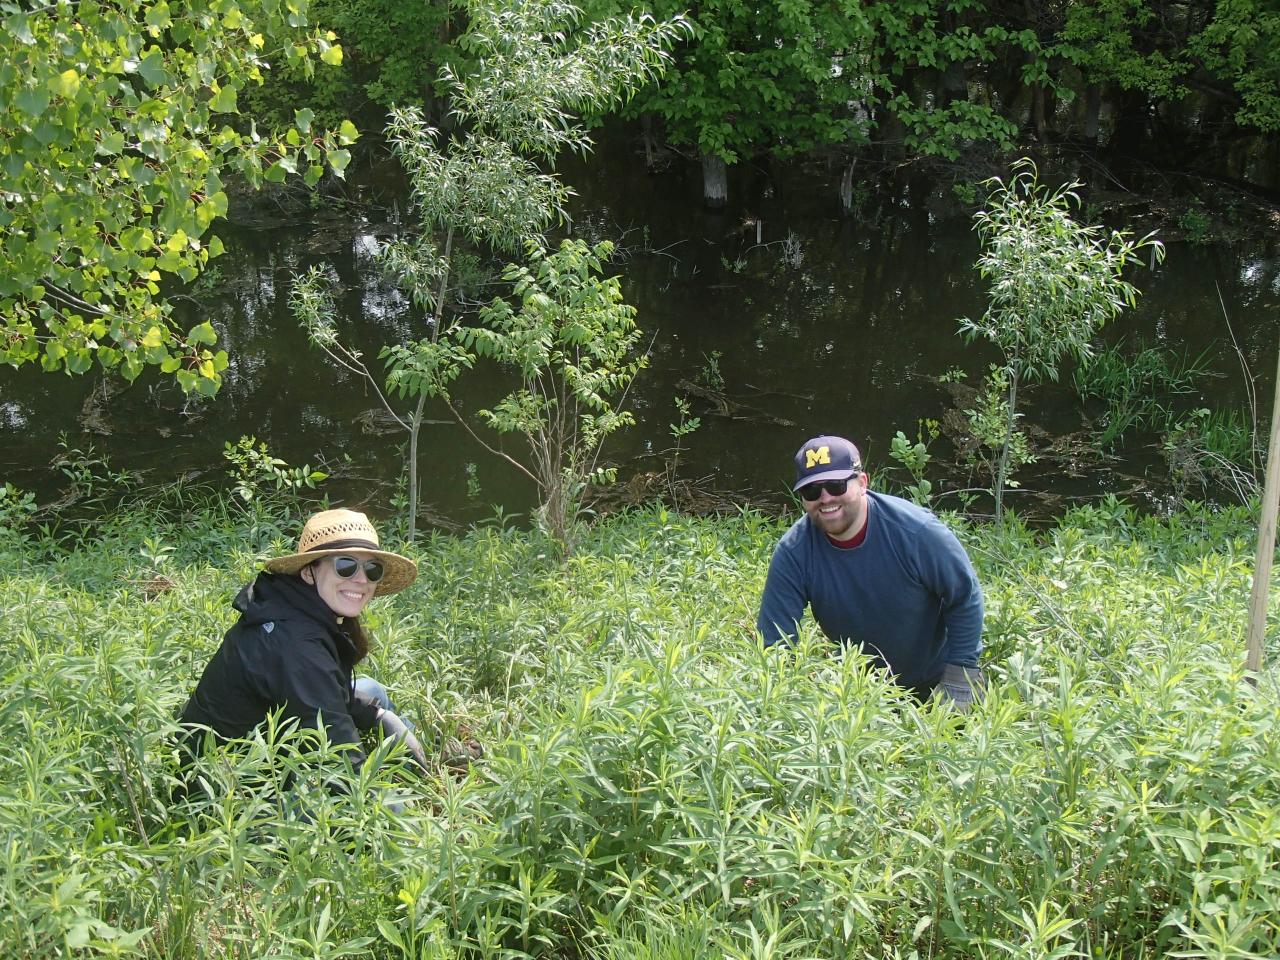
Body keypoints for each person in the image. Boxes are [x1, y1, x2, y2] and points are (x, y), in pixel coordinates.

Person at [178, 507, 430, 792]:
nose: (361, 579)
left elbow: (323, 688)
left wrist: (378, 716)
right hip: (230, 787)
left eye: (372, 569)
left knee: (372, 692)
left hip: (258, 734)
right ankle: (423, 777)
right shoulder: (296, 642)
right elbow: (342, 763)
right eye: (345, 566)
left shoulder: (293, 604)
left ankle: (421, 757)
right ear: (310, 572)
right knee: (375, 801)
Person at [756, 435, 986, 710]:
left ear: (863, 482)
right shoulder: (794, 552)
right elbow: (776, 641)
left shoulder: (916, 532)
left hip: (937, 679)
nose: (826, 498)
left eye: (836, 485)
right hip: (861, 691)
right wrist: (786, 702)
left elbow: (964, 596)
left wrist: (961, 674)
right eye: (812, 491)